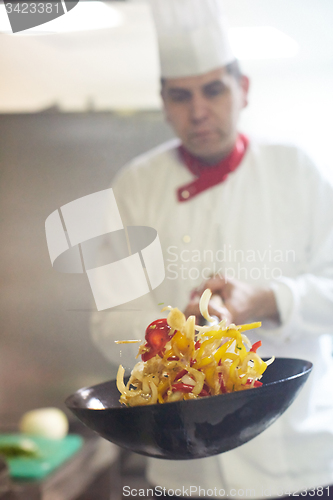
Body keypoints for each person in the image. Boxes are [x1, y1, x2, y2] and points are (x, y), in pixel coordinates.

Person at [91, 0, 333, 498]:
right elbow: (105, 318)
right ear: (162, 101)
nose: (198, 111)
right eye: (180, 95)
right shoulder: (133, 186)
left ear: (243, 90)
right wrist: (172, 334)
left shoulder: (297, 171)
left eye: (213, 90)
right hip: (182, 471)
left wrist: (267, 300)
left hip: (298, 460)